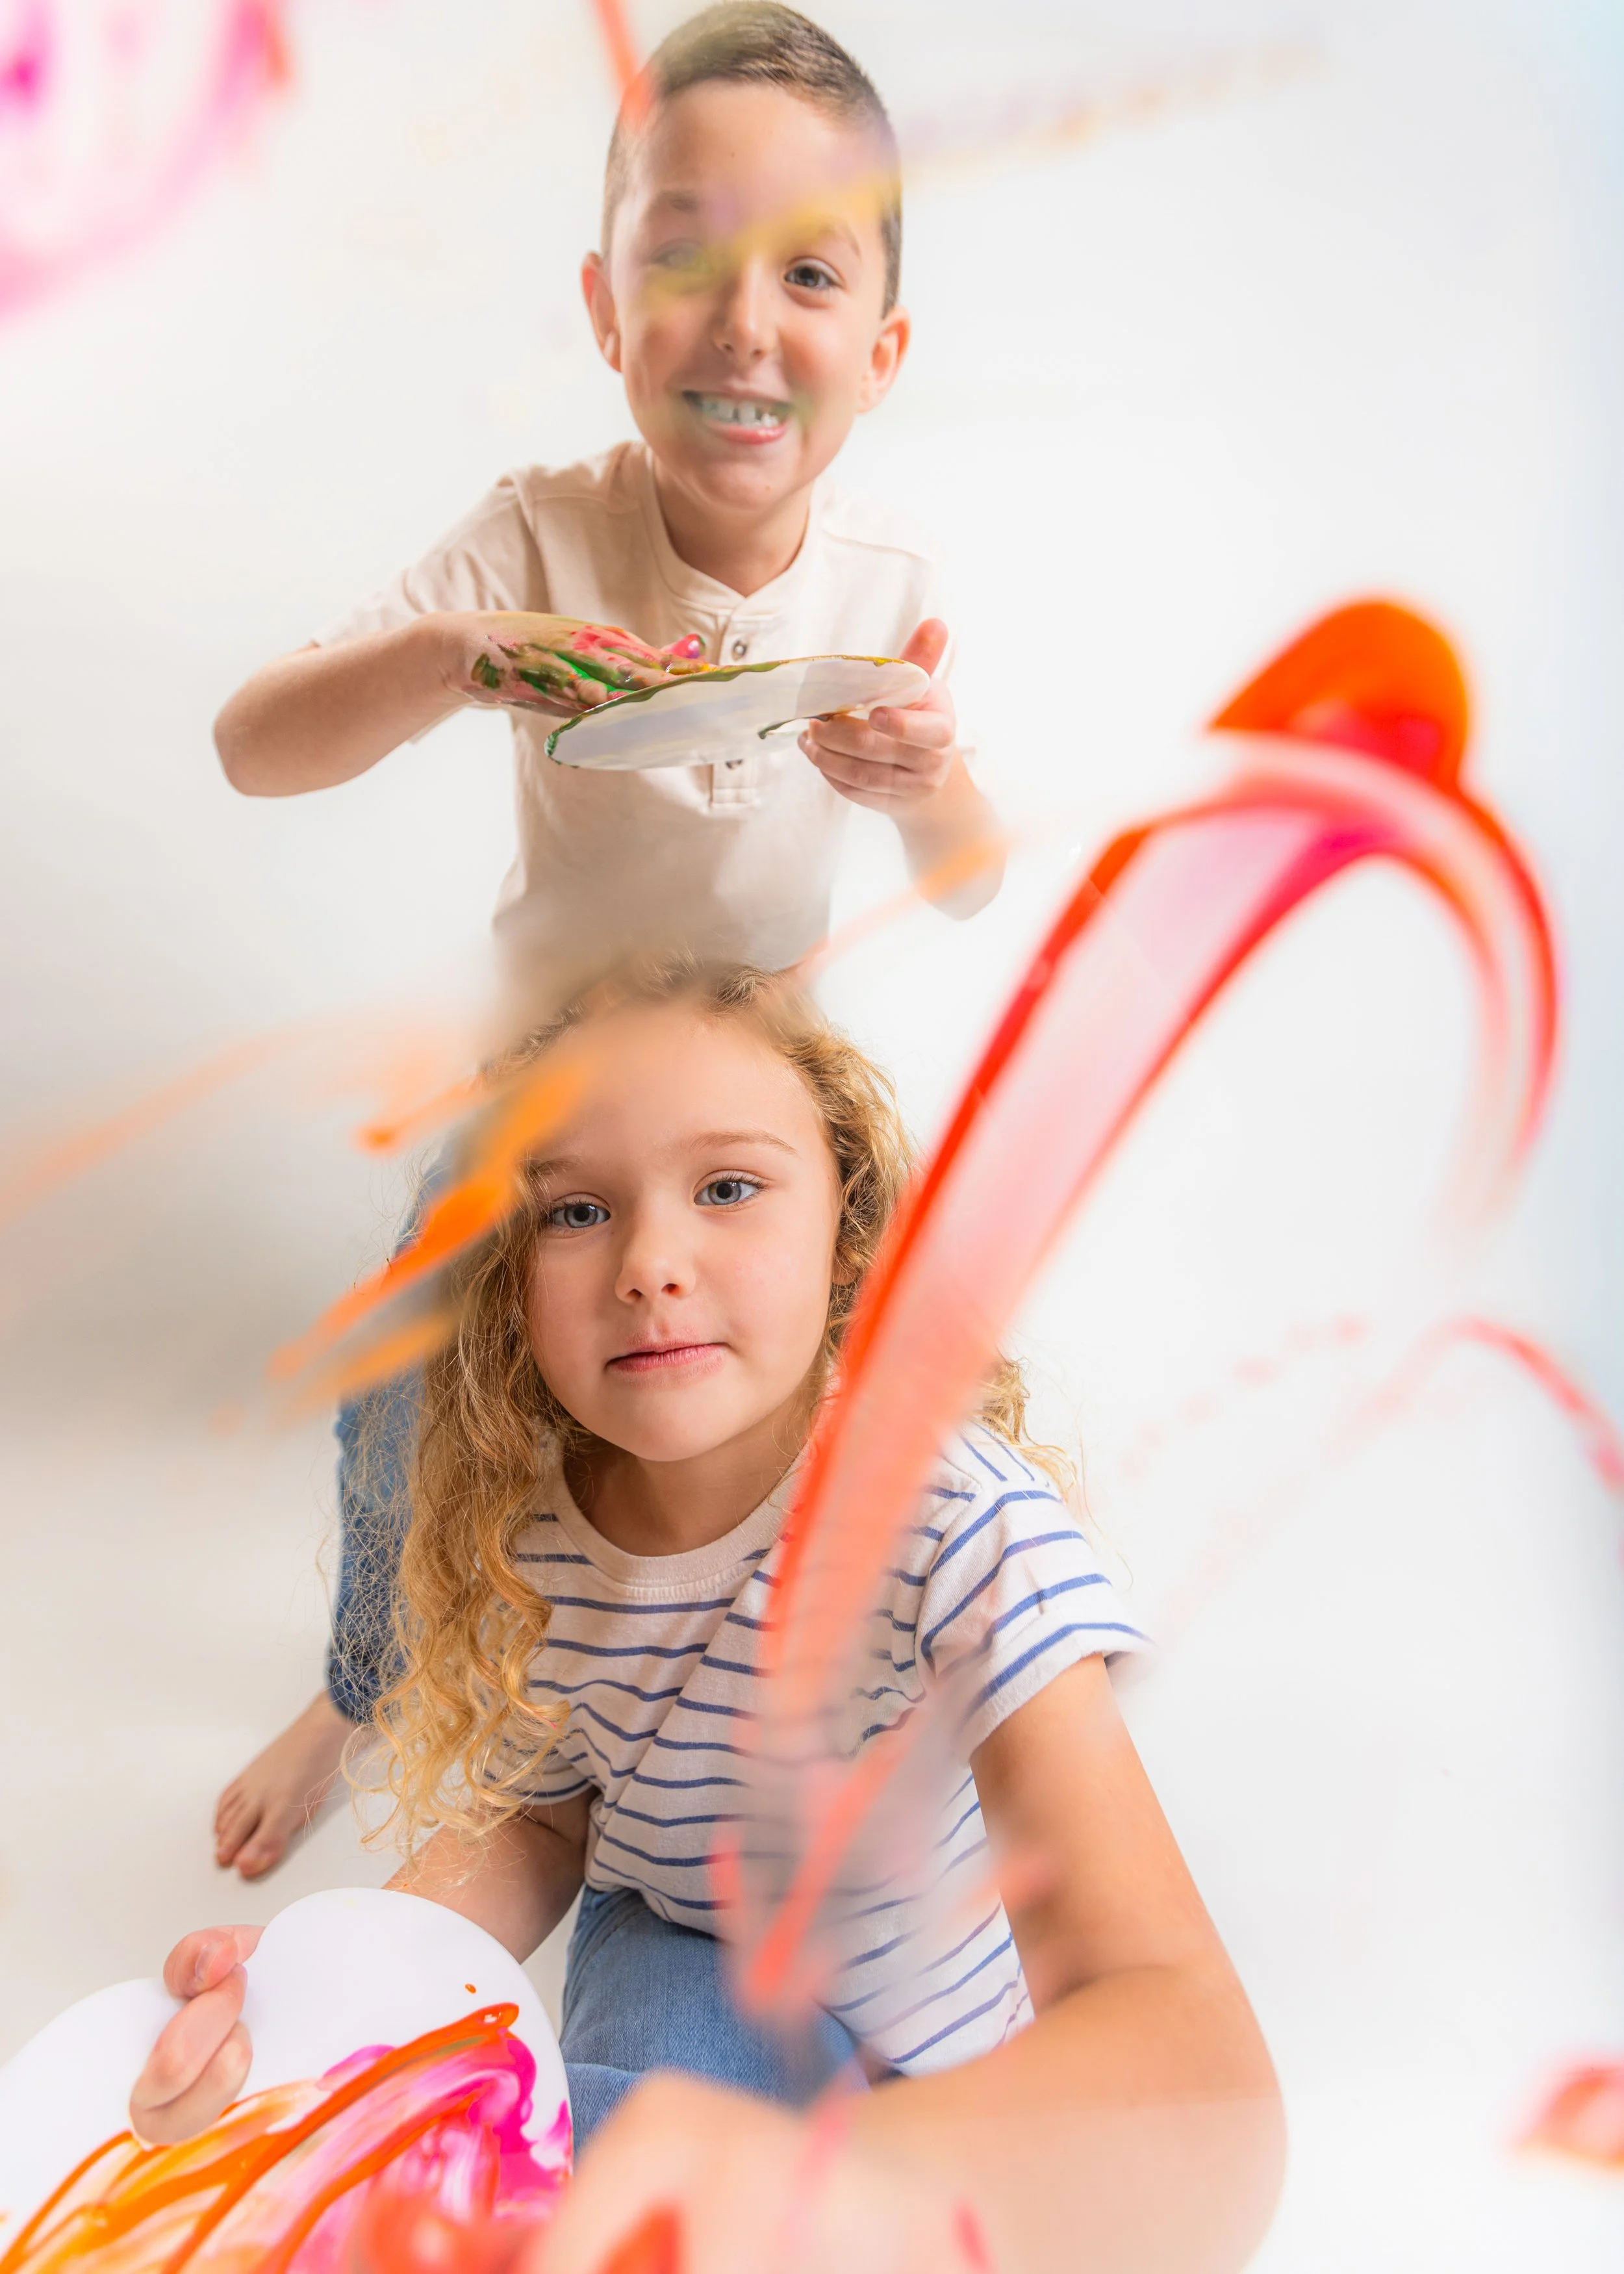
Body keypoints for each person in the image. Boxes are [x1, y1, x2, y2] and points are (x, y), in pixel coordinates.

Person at [133, 964, 1283, 2273]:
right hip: (695, 1945)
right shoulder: (533, 1534)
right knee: (594, 2146)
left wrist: (832, 2179)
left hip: (950, 2059)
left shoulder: (958, 1521)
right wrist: (327, 1991)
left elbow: (1189, 2054)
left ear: (849, 1239)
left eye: (727, 1187)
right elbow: (543, 1814)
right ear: (513, 1283)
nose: (648, 1265)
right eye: (575, 1209)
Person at [211, 1, 1005, 1880]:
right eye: (686, 256)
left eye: (806, 273)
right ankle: (364, 1678)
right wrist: (451, 657)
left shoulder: (884, 584)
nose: (743, 323)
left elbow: (968, 879)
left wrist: (924, 779)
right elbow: (253, 749)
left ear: (879, 351)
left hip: (755, 1092)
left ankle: (823, 1700)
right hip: (550, 1084)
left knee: (829, 1375)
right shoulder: (538, 538)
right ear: (603, 306)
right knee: (404, 1359)